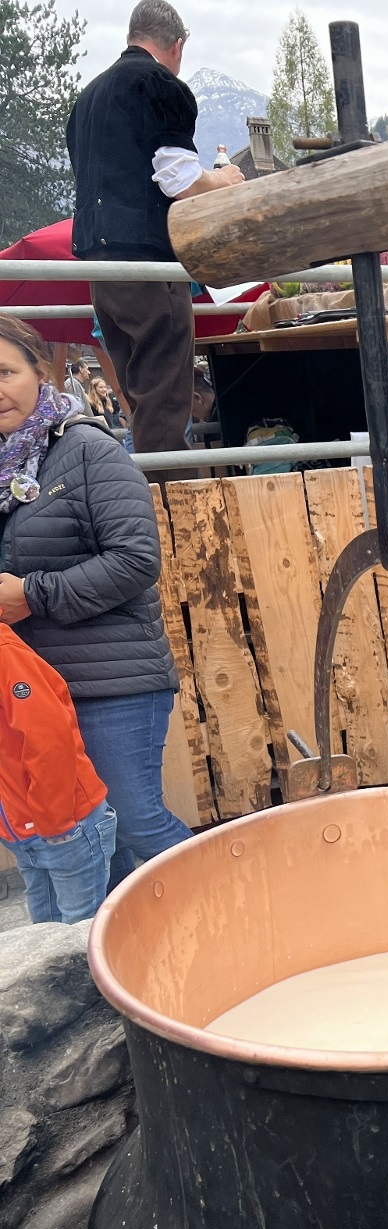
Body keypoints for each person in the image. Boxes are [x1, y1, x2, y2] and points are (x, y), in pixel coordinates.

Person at [0, 317, 191, 887]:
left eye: (5, 372)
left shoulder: (87, 451)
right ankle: (128, 963)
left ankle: (244, 922)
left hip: (111, 682)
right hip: (33, 689)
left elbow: (136, 561)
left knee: (136, 825)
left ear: (42, 371)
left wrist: (32, 595)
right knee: (85, 835)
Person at [66, 0, 244, 467]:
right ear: (177, 45)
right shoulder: (162, 84)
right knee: (165, 405)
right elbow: (179, 178)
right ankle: (170, 520)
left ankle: (143, 509)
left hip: (99, 266)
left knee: (141, 401)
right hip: (146, 263)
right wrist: (222, 181)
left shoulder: (87, 98)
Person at [0, 625, 117, 923]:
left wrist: (55, 825)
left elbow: (49, 741)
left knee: (79, 937)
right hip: (23, 832)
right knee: (46, 933)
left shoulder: (6, 655)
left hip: (64, 828)